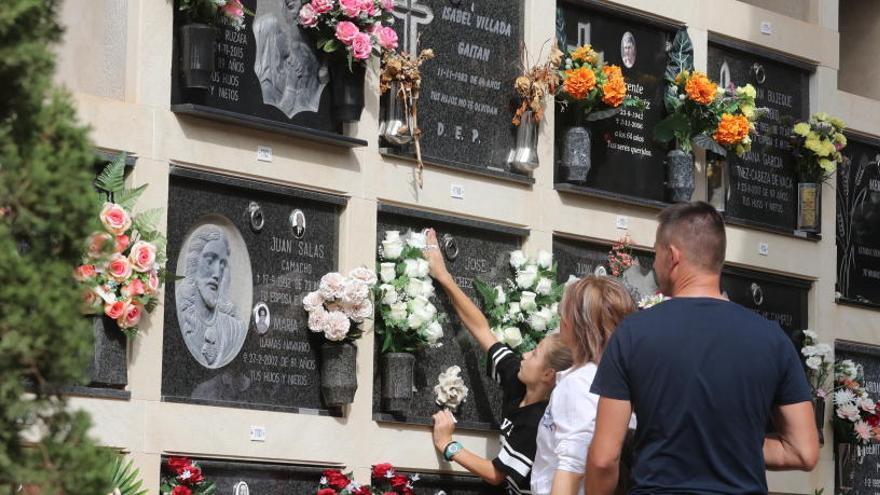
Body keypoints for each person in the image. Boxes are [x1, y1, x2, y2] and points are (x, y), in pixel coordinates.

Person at [586, 201, 819, 495]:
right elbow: (804, 452)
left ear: (672, 255)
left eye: (656, 253)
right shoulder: (773, 340)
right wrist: (734, 447)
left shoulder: (634, 333)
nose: (654, 264)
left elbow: (604, 458)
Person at [423, 229, 574, 495]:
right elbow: (481, 329)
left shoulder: (540, 421)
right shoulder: (518, 376)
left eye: (535, 354)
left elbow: (495, 474)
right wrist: (444, 277)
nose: (525, 355)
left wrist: (448, 445)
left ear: (549, 375)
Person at [530, 276, 637, 495]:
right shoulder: (619, 379)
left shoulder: (579, 383)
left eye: (565, 312)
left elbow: (572, 467)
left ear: (574, 324)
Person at [176, 224, 247, 369]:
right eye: (210, 261)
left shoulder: (234, 330)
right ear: (194, 264)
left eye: (222, 265)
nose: (216, 273)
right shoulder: (179, 312)